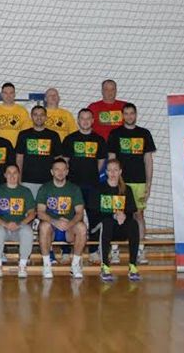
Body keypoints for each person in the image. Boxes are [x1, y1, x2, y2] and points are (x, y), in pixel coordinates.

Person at [107, 103, 156, 265]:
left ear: (136, 115)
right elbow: (112, 159)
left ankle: (140, 250)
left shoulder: (144, 133)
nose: (129, 116)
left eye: (132, 113)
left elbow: (148, 160)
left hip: (139, 182)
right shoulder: (115, 134)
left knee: (138, 215)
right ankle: (114, 250)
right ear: (122, 115)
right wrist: (113, 181)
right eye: (126, 113)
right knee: (116, 214)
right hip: (120, 182)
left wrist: (148, 184)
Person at [62, 108, 108, 264]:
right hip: (73, 187)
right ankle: (67, 251)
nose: (85, 121)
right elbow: (65, 162)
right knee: (70, 218)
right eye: (82, 118)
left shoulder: (99, 140)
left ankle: (93, 251)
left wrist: (92, 175)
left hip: (92, 186)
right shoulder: (70, 139)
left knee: (94, 219)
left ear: (93, 121)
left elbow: (101, 163)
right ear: (78, 120)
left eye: (88, 118)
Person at [90, 159, 141, 282]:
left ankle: (133, 266)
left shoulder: (126, 189)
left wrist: (123, 215)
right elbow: (94, 212)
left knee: (134, 224)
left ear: (120, 172)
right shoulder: (99, 188)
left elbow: (131, 210)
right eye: (110, 170)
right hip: (102, 229)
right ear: (106, 172)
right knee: (107, 223)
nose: (112, 173)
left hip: (119, 228)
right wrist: (114, 215)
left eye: (115, 170)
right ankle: (105, 267)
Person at [36, 158, 87, 279]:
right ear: (52, 172)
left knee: (82, 227)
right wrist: (55, 221)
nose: (60, 172)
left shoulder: (74, 189)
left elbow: (79, 213)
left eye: (63, 169)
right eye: (57, 169)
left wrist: (69, 224)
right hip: (52, 228)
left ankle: (75, 265)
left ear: (67, 172)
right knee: (44, 226)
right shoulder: (44, 188)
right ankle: (47, 265)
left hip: (69, 228)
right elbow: (40, 212)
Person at [0, 165, 35, 278]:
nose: (12, 175)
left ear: (19, 175)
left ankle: (22, 265)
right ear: (5, 175)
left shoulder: (26, 191)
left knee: (28, 232)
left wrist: (19, 224)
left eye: (15, 173)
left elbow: (32, 213)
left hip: (19, 226)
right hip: (1, 225)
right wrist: (5, 224)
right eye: (9, 173)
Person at [15, 105, 63, 198]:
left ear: (46, 117)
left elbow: (59, 159)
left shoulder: (54, 135)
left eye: (42, 114)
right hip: (27, 181)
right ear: (31, 117)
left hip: (49, 182)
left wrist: (58, 179)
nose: (39, 117)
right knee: (29, 207)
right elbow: (19, 159)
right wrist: (18, 180)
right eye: (35, 114)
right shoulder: (23, 135)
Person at [0, 83, 31, 147]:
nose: (8, 96)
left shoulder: (22, 111)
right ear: (1, 94)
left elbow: (26, 132)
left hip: (17, 148)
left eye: (11, 93)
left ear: (14, 94)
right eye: (5, 93)